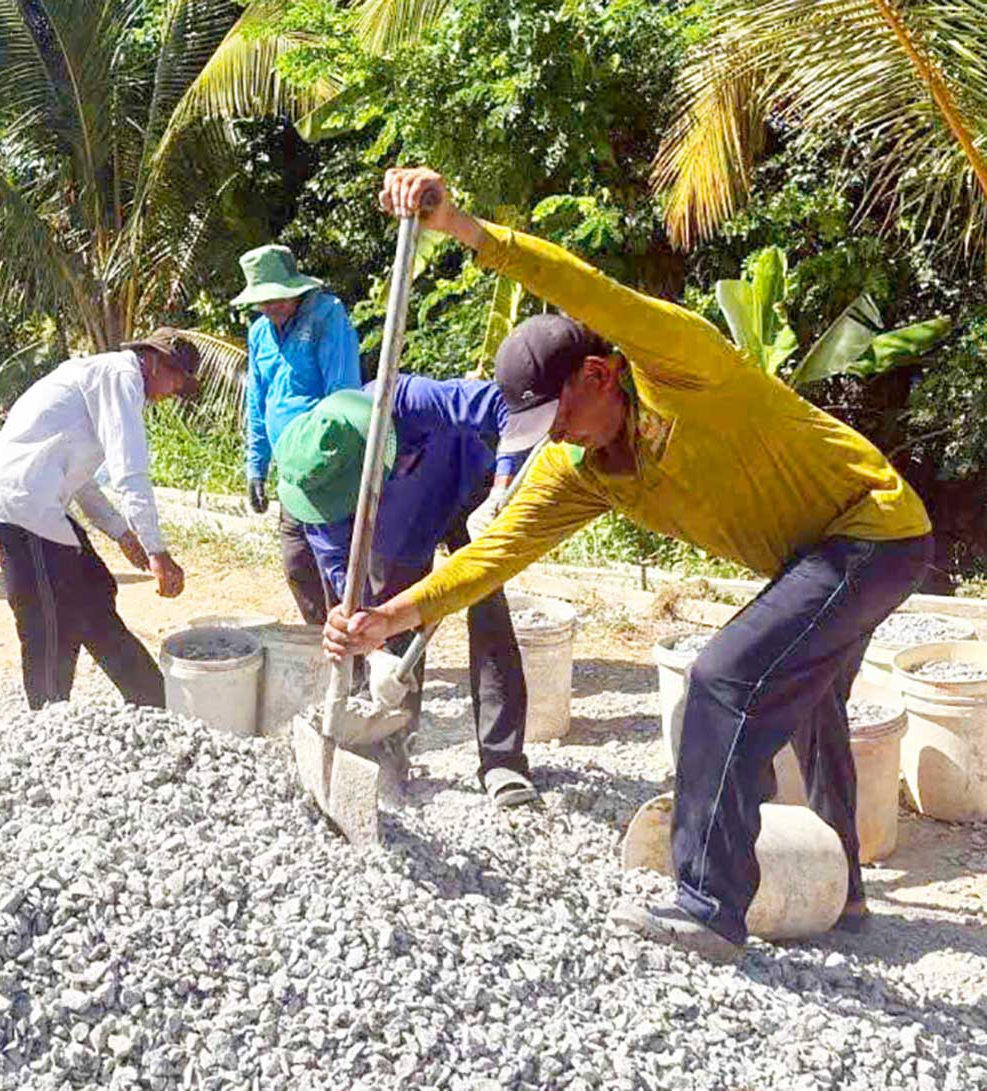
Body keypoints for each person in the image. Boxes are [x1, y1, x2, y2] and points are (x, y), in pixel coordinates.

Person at [333, 166, 935, 961]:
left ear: (598, 374)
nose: (556, 436)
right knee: (808, 697)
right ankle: (843, 892)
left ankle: (709, 904)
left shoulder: (677, 365)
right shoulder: (578, 469)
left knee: (723, 678)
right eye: (539, 429)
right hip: (814, 557)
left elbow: (589, 291)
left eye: (562, 416)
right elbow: (490, 559)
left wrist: (467, 230)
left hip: (875, 529)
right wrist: (389, 617)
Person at [278, 378, 536, 806]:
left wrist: (501, 490)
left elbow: (510, 407)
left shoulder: (406, 400)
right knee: (389, 621)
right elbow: (344, 582)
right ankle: (393, 749)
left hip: (471, 492)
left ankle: (501, 760)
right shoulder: (315, 488)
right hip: (407, 529)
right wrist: (367, 644)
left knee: (487, 609)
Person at [0, 329, 197, 710]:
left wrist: (122, 532)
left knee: (93, 592)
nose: (172, 393)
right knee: (48, 619)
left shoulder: (101, 377)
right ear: (155, 362)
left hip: (41, 505)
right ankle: (48, 716)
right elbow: (131, 472)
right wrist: (157, 551)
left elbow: (82, 479)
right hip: (22, 508)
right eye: (176, 381)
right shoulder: (123, 379)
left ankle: (151, 700)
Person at [233, 244, 362, 624]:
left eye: (276, 298)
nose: (270, 307)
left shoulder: (327, 317)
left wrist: (333, 462)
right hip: (291, 471)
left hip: (327, 465)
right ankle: (321, 643)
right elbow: (258, 402)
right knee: (297, 563)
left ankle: (355, 656)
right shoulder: (259, 333)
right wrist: (256, 467)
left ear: (295, 289)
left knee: (334, 565)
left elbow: (343, 395)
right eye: (262, 301)